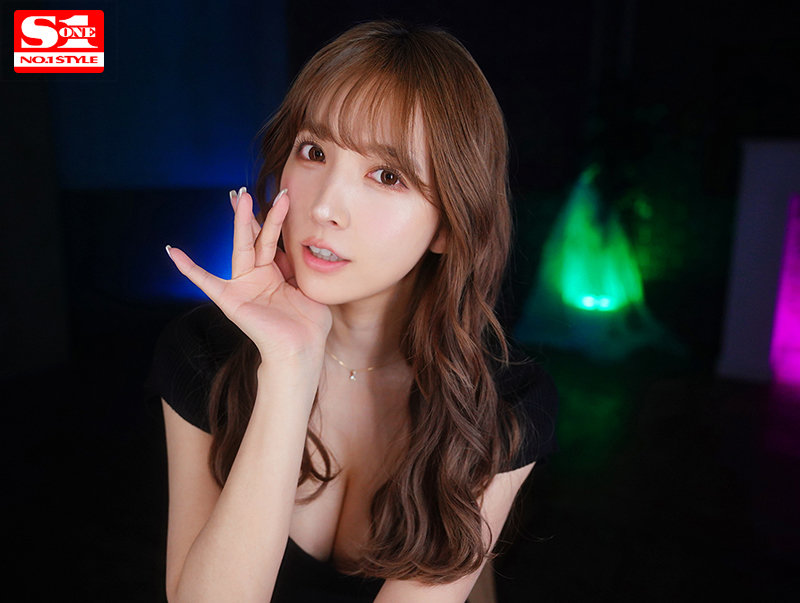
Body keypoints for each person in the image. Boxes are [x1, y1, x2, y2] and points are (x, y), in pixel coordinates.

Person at [145, 19, 558, 602]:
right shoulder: (203, 354)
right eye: (314, 151)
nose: (325, 207)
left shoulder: (503, 403)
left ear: (449, 225)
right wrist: (290, 368)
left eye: (386, 176)